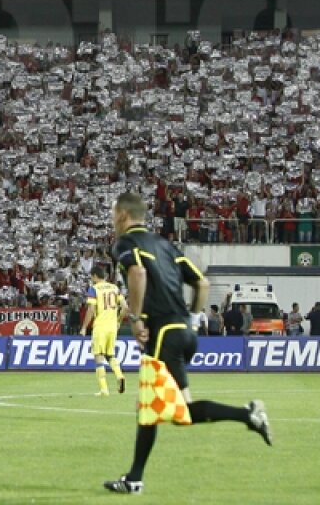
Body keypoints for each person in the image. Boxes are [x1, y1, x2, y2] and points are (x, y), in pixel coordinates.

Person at [103, 191, 271, 495]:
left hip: (163, 333)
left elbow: (138, 273)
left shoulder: (126, 243)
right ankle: (248, 415)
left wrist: (137, 318)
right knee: (173, 410)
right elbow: (202, 283)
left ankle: (134, 480)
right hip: (184, 332)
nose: (113, 219)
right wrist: (193, 319)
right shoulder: (167, 245)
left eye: (114, 213)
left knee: (151, 408)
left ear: (124, 215)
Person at [81, 263, 127, 397]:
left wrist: (84, 327)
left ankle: (104, 389)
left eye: (91, 277)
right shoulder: (114, 287)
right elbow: (125, 307)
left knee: (98, 356)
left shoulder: (94, 289)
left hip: (100, 326)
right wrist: (118, 321)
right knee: (110, 355)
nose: (91, 279)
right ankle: (119, 375)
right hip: (113, 326)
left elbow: (90, 309)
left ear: (95, 276)